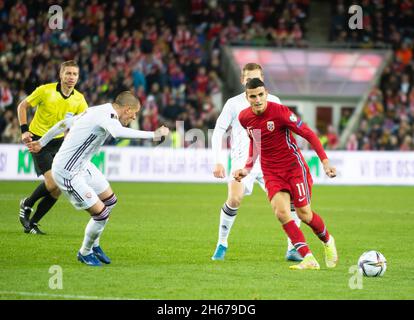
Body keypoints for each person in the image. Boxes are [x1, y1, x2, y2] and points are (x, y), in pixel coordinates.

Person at [26, 91, 169, 266]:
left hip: (83, 164)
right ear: (127, 109)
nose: (134, 117)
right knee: (101, 214)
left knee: (110, 201)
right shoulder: (108, 116)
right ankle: (84, 252)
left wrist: (42, 143)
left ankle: (95, 244)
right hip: (67, 171)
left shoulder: (97, 110)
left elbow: (64, 123)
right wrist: (153, 134)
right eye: (134, 113)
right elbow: (117, 132)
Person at [234, 78, 338, 270]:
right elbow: (255, 143)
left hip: (293, 169)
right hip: (271, 172)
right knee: (281, 213)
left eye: (260, 95)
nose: (257, 99)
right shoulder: (243, 118)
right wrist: (247, 168)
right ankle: (308, 258)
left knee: (304, 214)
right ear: (247, 97)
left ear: (266, 93)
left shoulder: (280, 112)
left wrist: (325, 161)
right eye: (252, 96)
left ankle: (328, 241)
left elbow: (308, 134)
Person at [211, 63, 303, 262]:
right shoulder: (233, 104)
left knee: (291, 204)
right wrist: (217, 161)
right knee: (234, 199)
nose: (253, 82)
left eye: (257, 78)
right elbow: (218, 130)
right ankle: (222, 243)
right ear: (243, 81)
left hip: (272, 163)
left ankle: (293, 248)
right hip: (242, 163)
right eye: (249, 79)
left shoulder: (274, 101)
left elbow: (286, 129)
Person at [18, 60, 88, 234]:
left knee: (58, 189)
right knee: (53, 182)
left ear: (78, 77)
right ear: (61, 74)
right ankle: (27, 204)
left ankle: (32, 223)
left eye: (75, 74)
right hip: (38, 141)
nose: (71, 77)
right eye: (68, 73)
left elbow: (84, 122)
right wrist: (24, 130)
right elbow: (22, 106)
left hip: (59, 143)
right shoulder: (45, 90)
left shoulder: (79, 99)